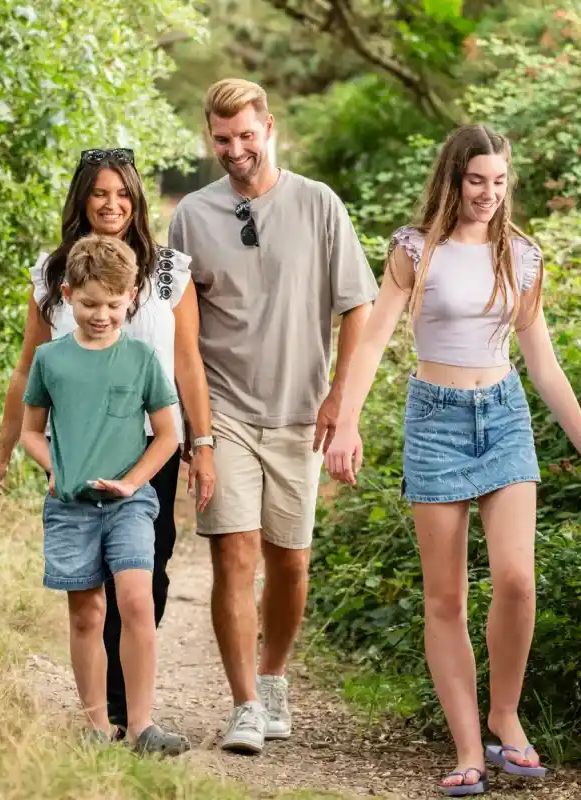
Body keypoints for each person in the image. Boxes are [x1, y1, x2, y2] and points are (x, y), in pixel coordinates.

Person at [324, 124, 581, 796]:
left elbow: (543, 364)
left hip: (505, 417)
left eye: (498, 181)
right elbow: (372, 343)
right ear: (452, 178)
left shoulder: (521, 255)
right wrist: (346, 424)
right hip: (435, 421)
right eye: (475, 180)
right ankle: (466, 748)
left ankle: (505, 716)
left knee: (518, 580)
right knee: (447, 597)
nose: (488, 194)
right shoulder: (415, 249)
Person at [167, 78, 379, 755]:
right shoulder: (192, 217)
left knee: (291, 564)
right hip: (225, 410)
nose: (234, 150)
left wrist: (341, 401)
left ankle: (275, 675)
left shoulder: (319, 205)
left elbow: (358, 308)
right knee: (235, 553)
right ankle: (245, 706)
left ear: (269, 129)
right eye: (221, 139)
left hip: (299, 416)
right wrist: (196, 433)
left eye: (245, 136)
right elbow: (183, 336)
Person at [0, 147, 215, 738]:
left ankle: (128, 708)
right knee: (88, 589)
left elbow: (187, 362)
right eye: (99, 193)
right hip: (77, 449)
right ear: (82, 198)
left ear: (136, 200)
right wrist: (7, 453)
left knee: (144, 576)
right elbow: (26, 369)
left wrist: (202, 443)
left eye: (123, 194)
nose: (112, 204)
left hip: (148, 447)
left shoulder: (168, 272)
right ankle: (105, 713)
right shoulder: (52, 272)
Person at [19, 234, 189, 754]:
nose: (101, 315)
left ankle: (141, 726)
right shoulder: (51, 360)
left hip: (130, 503)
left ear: (133, 296)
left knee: (137, 600)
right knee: (87, 612)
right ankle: (96, 726)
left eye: (114, 305)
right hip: (71, 506)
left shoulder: (141, 359)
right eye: (90, 304)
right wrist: (56, 466)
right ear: (67, 295)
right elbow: (31, 432)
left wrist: (134, 482)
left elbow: (168, 434)